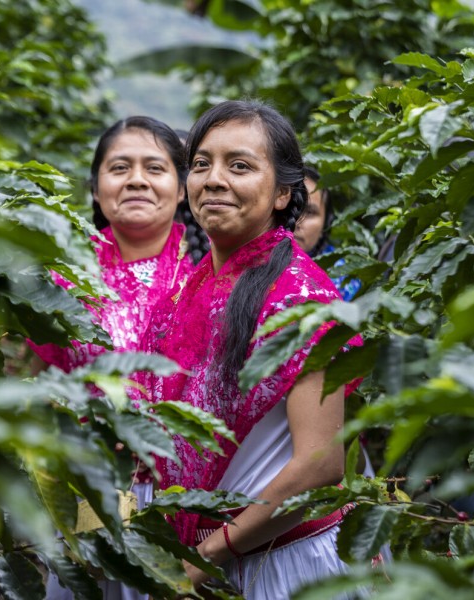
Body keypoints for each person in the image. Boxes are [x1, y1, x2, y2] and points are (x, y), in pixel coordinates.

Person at [140, 100, 362, 599]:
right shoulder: (191, 290)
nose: (213, 179)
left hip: (276, 565)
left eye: (239, 165)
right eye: (201, 164)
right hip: (206, 559)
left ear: (285, 193)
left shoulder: (304, 300)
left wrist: (208, 556)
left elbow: (321, 466)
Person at [34, 116, 201, 600]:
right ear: (96, 186)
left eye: (155, 167)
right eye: (119, 167)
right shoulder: (60, 278)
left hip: (192, 493)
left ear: (183, 187)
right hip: (95, 482)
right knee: (96, 586)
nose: (136, 180)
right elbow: (46, 381)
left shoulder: (211, 277)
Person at [294, 166, 361, 301]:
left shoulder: (343, 280)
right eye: (290, 209)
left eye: (310, 212)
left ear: (326, 224)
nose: (296, 221)